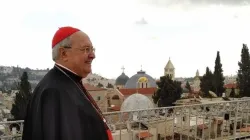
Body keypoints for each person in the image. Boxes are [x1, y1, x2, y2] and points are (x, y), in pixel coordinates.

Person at [22, 26, 113, 140]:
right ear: (64, 53)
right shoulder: (52, 92)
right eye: (85, 49)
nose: (92, 55)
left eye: (92, 49)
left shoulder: (70, 82)